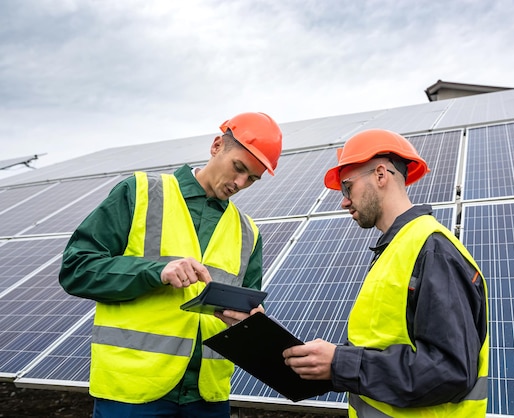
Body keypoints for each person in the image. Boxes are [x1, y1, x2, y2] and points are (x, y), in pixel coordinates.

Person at [58, 112, 283, 418]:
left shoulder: (249, 232)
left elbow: (244, 309)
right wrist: (155, 272)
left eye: (252, 179)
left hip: (208, 398)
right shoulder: (139, 192)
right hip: (132, 394)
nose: (240, 184)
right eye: (238, 168)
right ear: (217, 146)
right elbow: (76, 269)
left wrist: (250, 322)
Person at [283, 129, 489, 417]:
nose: (343, 201)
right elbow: (382, 346)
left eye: (347, 187)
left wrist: (341, 363)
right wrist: (329, 362)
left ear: (380, 175)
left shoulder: (433, 250)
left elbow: (449, 371)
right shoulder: (398, 248)